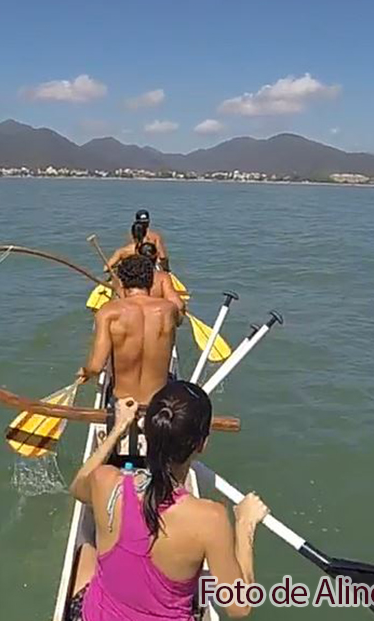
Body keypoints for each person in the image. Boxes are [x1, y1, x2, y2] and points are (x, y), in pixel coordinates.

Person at [67, 383, 268, 620]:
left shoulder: (105, 481)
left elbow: (78, 487)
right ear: (201, 445)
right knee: (202, 584)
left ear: (147, 430)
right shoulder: (210, 519)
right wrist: (245, 526)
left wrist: (118, 428)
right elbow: (239, 607)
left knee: (87, 550)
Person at [80, 254, 181, 404]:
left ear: (121, 281)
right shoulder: (169, 310)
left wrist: (85, 372)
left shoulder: (108, 312)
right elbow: (180, 314)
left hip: (124, 403)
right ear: (152, 281)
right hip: (158, 403)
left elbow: (96, 366)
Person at [104, 210, 169, 271]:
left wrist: (118, 267)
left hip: (131, 273)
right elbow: (162, 257)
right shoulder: (155, 238)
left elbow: (106, 268)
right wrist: (167, 271)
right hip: (150, 271)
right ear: (149, 222)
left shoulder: (123, 250)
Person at [138, 241, 186, 319]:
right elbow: (178, 304)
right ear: (156, 256)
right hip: (155, 317)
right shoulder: (162, 277)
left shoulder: (128, 276)